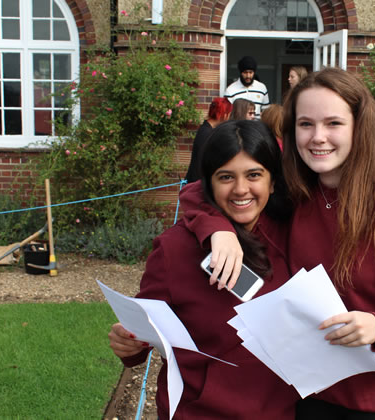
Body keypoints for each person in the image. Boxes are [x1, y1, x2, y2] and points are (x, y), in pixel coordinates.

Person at [180, 68, 375, 419]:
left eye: (333, 123)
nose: (318, 137)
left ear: (358, 127)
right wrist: (219, 229)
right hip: (306, 396)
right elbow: (197, 193)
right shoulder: (295, 195)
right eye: (306, 124)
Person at [107, 120, 297, 419]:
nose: (240, 189)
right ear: (209, 182)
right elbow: (144, 330)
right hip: (200, 412)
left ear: (273, 181)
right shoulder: (174, 249)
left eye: (254, 175)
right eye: (226, 177)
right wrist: (129, 343)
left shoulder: (293, 235)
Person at [186, 97, 232, 183]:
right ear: (224, 114)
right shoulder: (206, 134)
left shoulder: (207, 129)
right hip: (197, 184)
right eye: (229, 114)